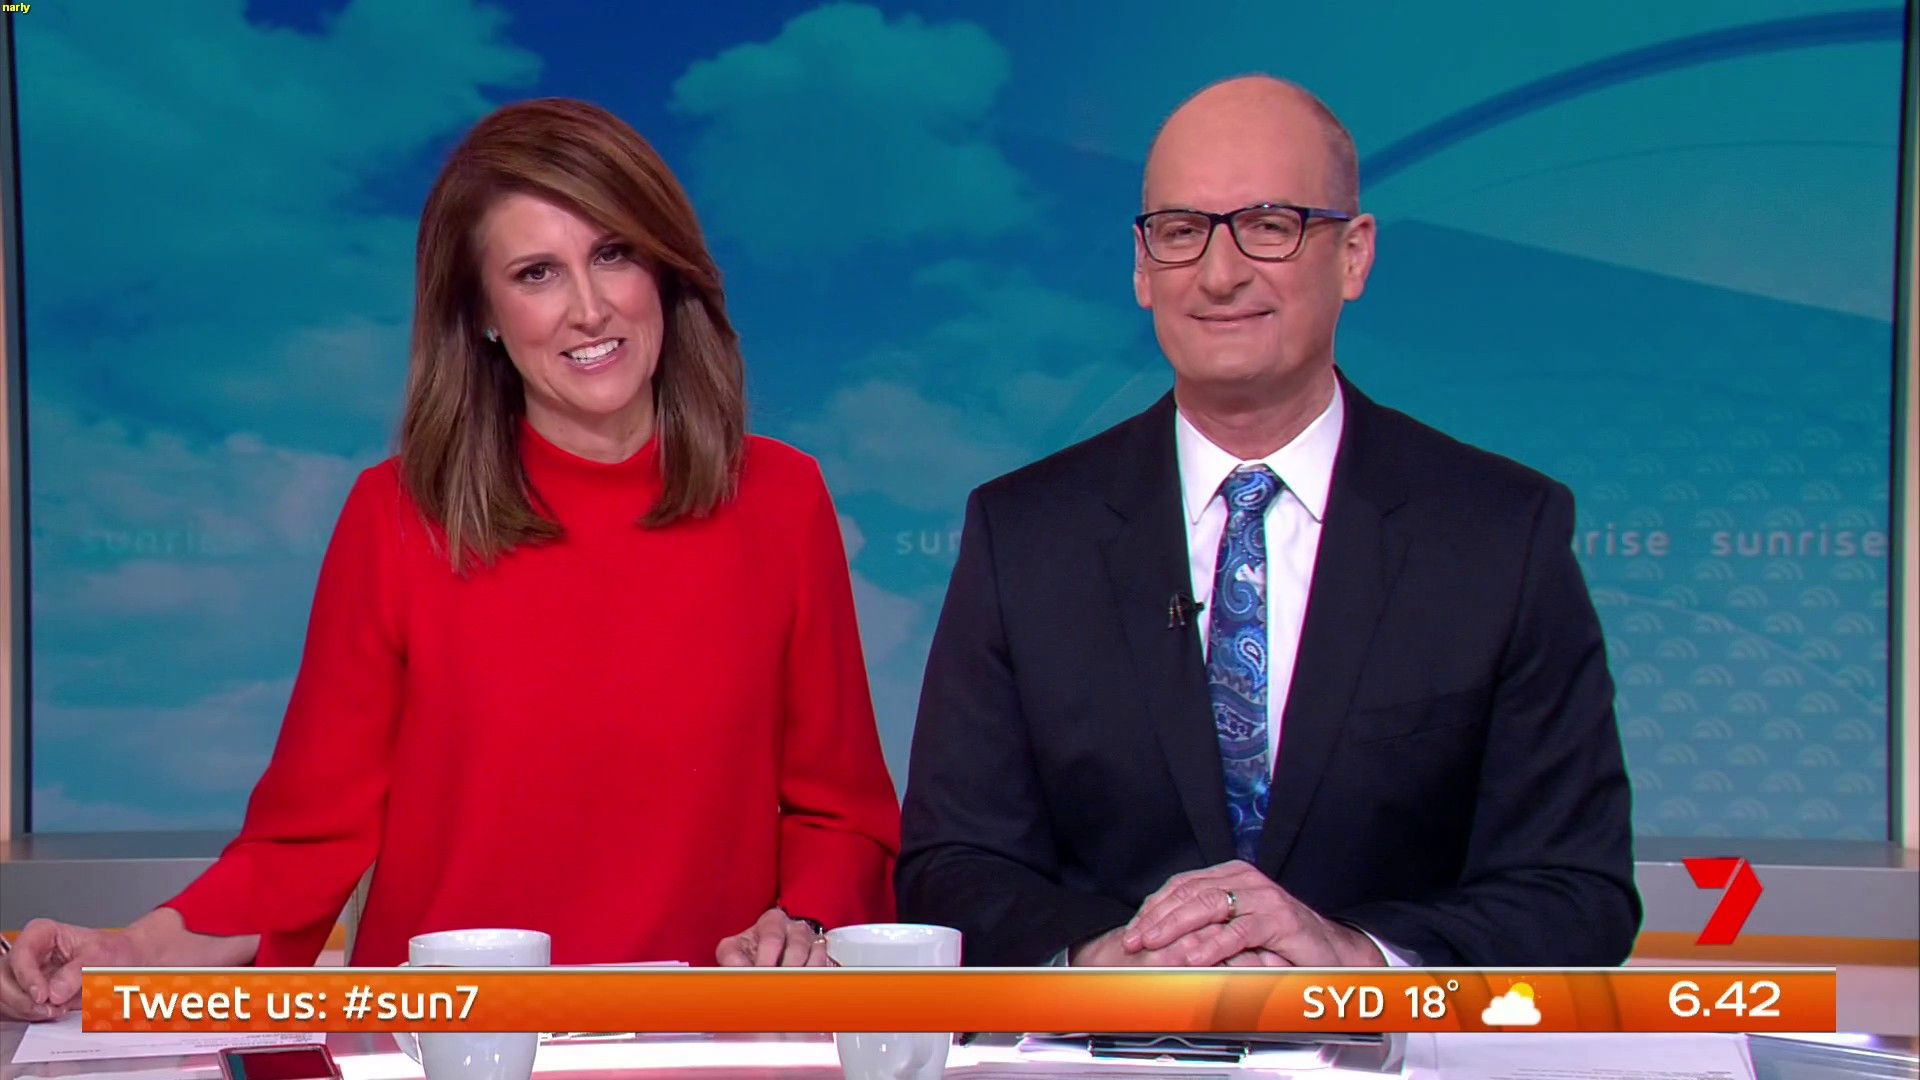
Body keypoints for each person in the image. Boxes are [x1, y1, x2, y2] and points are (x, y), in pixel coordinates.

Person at [1, 98, 901, 1021]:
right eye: (537, 273)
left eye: (614, 254)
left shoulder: (781, 499)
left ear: (665, 270)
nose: (590, 307)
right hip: (445, 1044)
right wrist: (126, 952)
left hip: (701, 1042)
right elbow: (304, 844)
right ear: (482, 315)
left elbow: (843, 814)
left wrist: (805, 922)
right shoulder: (395, 517)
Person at [896, 76, 1638, 968]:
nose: (1220, 274)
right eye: (1182, 232)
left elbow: (1575, 890)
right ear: (1141, 268)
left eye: (1269, 225)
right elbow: (953, 865)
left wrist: (1355, 957)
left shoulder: (1500, 533)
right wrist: (1103, 961)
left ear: (1354, 255)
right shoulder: (1023, 534)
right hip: (1108, 1039)